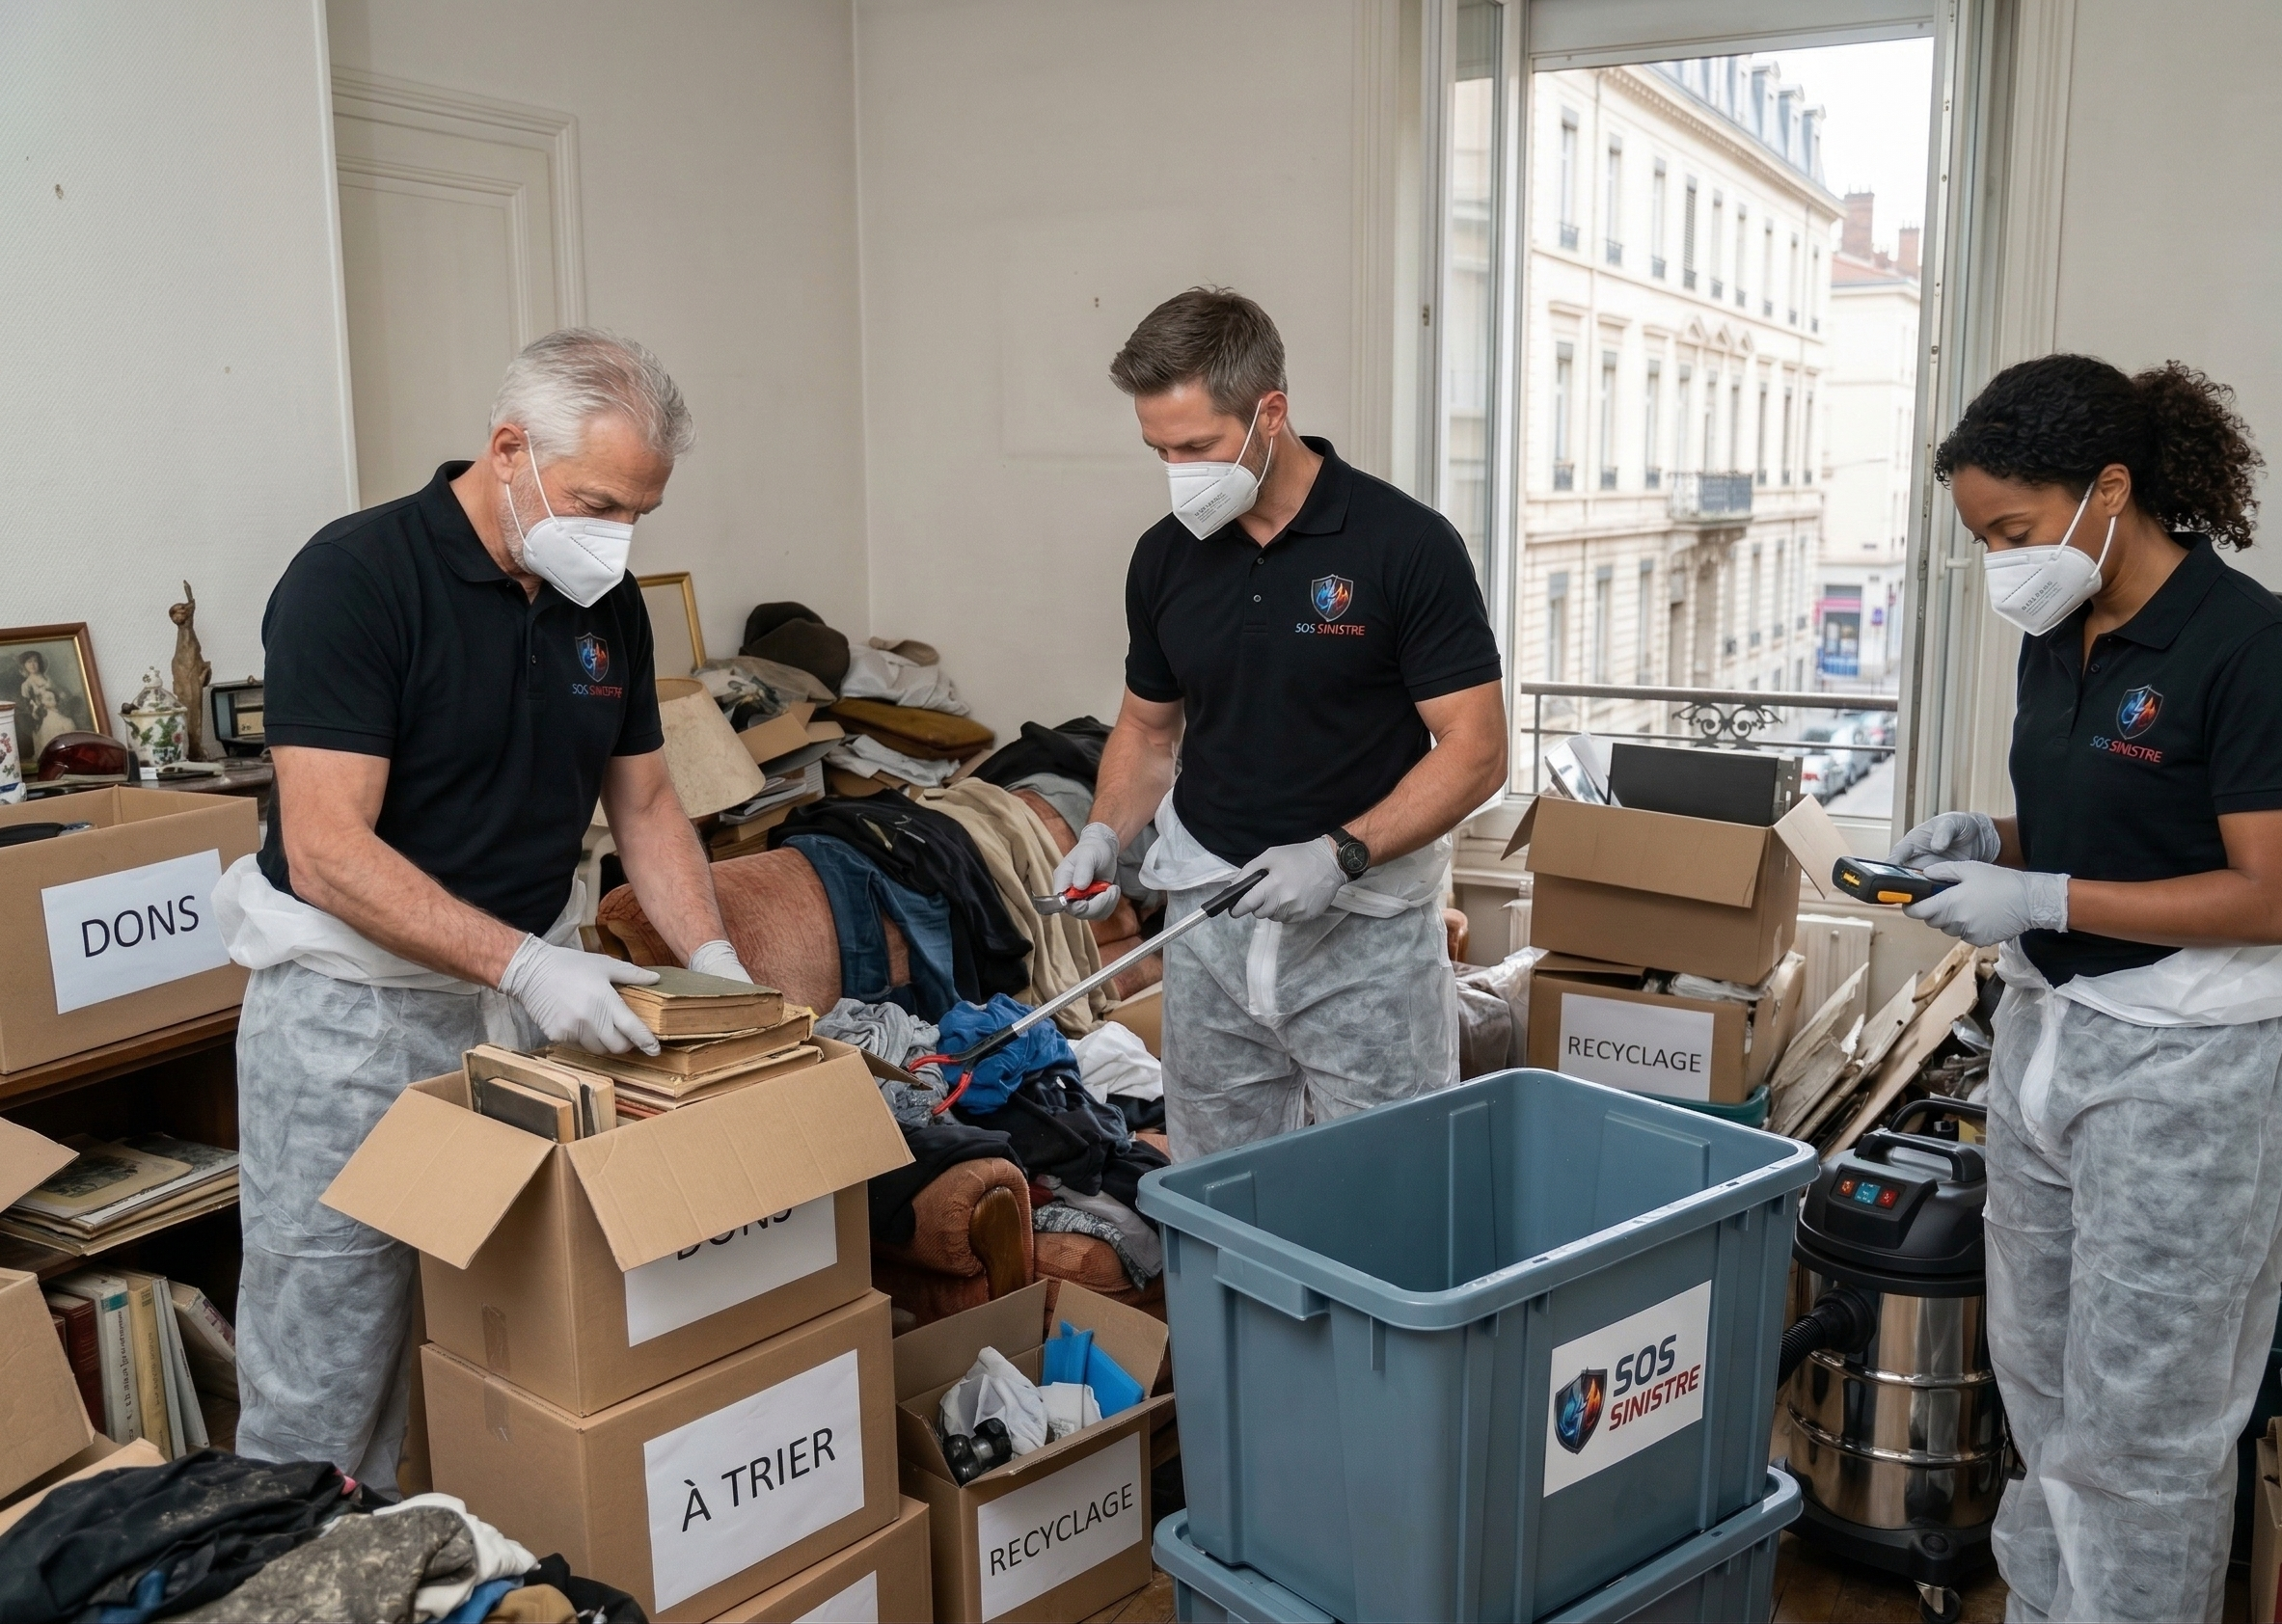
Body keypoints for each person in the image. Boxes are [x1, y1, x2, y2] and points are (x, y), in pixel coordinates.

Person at [212, 329, 754, 1495]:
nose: (616, 535)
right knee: (326, 1369)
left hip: (518, 1017)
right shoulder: (354, 579)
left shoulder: (599, 598)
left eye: (639, 511)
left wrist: (713, 960)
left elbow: (647, 798)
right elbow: (325, 850)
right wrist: (521, 963)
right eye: (600, 501)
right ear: (508, 450)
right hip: (352, 1022)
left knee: (508, 1339)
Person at [1892, 353, 2280, 1623]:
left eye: (2011, 529)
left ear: (2108, 488)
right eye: (1982, 537)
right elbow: (2106, 823)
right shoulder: (2060, 634)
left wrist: (2046, 897)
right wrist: (1993, 845)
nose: (2002, 559)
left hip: (2183, 1076)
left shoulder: (2244, 645)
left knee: (2142, 1434)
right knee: (2044, 1392)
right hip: (2048, 1042)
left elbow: (2264, 889)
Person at [1051, 287, 1507, 1159]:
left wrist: (1341, 850)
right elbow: (1149, 733)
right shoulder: (1164, 558)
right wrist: (1105, 833)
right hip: (1209, 924)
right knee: (1219, 1197)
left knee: (1386, 1196)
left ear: (1271, 413)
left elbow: (1477, 752)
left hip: (1363, 932)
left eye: (1198, 446)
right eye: (1160, 451)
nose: (1180, 472)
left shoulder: (1404, 546)